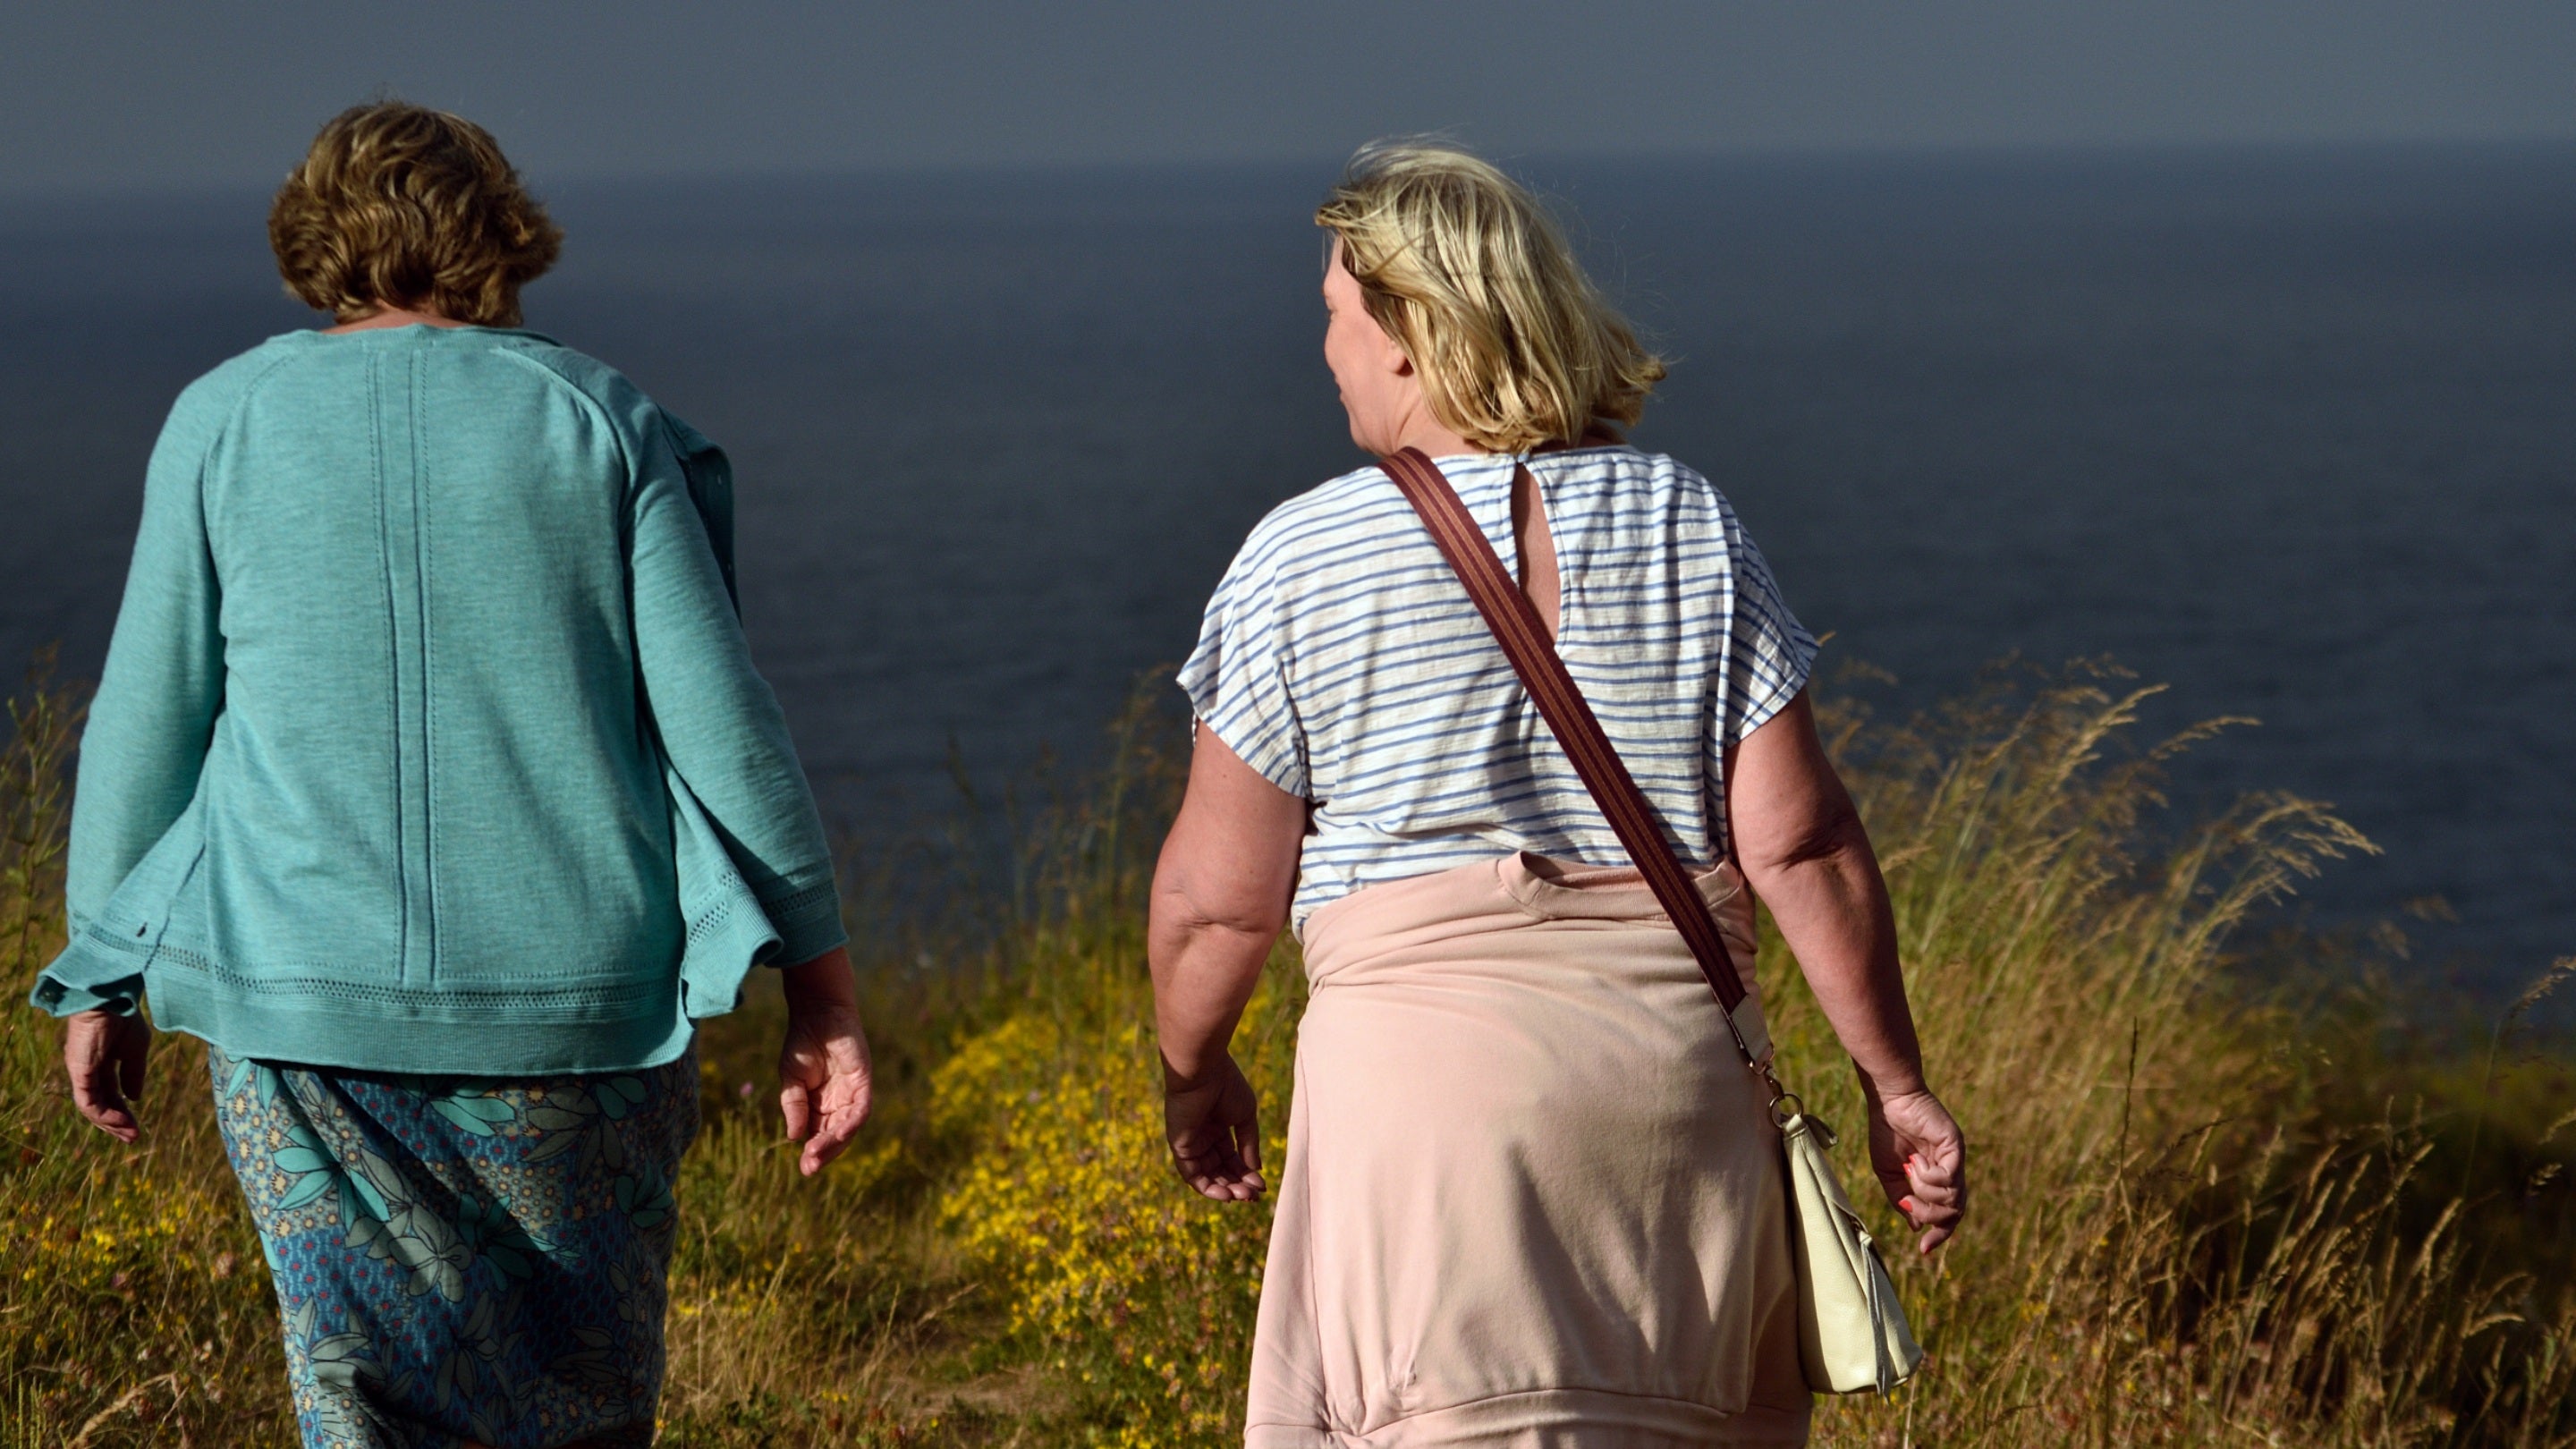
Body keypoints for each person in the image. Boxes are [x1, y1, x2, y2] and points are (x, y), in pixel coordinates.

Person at [30, 102, 873, 1449]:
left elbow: (148, 719)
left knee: (360, 1401)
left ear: (314, 236)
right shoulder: (598, 419)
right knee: (581, 1407)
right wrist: (819, 986)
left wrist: (104, 975)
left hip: (306, 1013)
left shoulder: (222, 421)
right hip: (583, 1017)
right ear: (499, 231)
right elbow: (727, 728)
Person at [1148, 142, 1968, 1447]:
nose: (1328, 353)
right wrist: (1895, 1086)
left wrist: (1194, 1075)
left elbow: (1214, 904)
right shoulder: (1688, 523)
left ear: (1411, 336)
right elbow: (1801, 844)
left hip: (1426, 1115)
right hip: (1673, 1110)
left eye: (1336, 318)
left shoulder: (1301, 555)